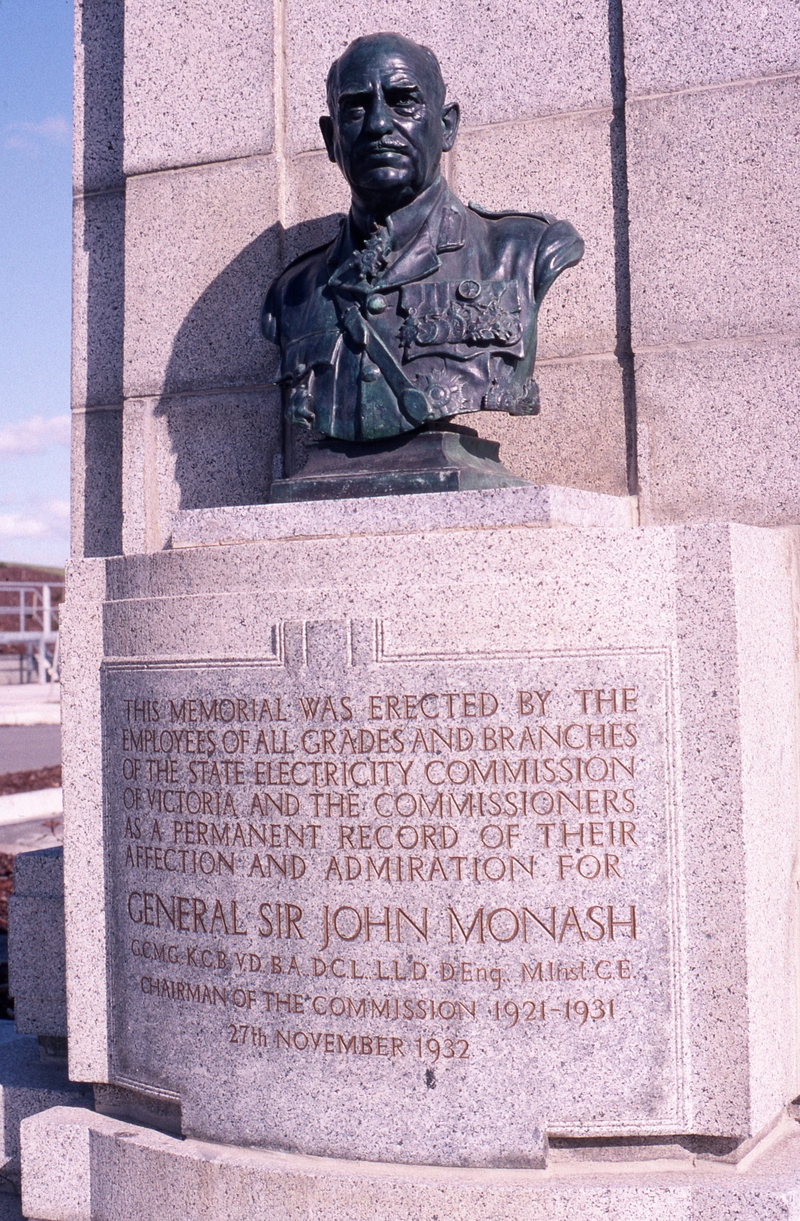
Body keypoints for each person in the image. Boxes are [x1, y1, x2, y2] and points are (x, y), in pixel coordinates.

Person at [262, 32, 584, 444]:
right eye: (356, 107)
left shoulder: (525, 251)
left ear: (446, 126)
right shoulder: (294, 295)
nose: (378, 124)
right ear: (331, 139)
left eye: (403, 101)